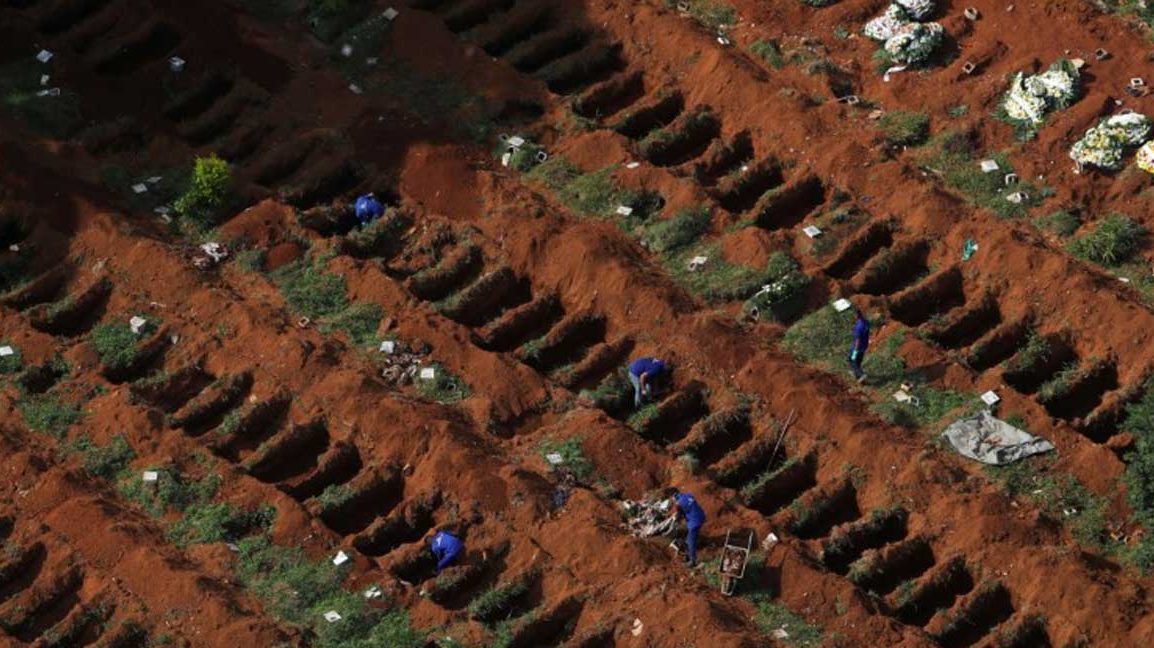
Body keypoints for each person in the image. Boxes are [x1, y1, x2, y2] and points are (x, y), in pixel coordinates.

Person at [665, 487, 705, 567]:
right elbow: (688, 507)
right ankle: (688, 555)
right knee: (690, 538)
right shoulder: (688, 495)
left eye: (671, 498)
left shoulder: (678, 503)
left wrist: (675, 519)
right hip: (700, 516)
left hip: (694, 522)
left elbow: (678, 514)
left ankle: (692, 561)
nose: (671, 500)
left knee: (690, 541)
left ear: (673, 496)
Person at [848, 308, 870, 383]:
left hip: (857, 347)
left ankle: (861, 375)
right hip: (864, 347)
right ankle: (856, 375)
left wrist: (855, 351)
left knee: (852, 360)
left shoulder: (858, 327)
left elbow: (858, 340)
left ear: (856, 315)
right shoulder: (866, 322)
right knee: (858, 362)